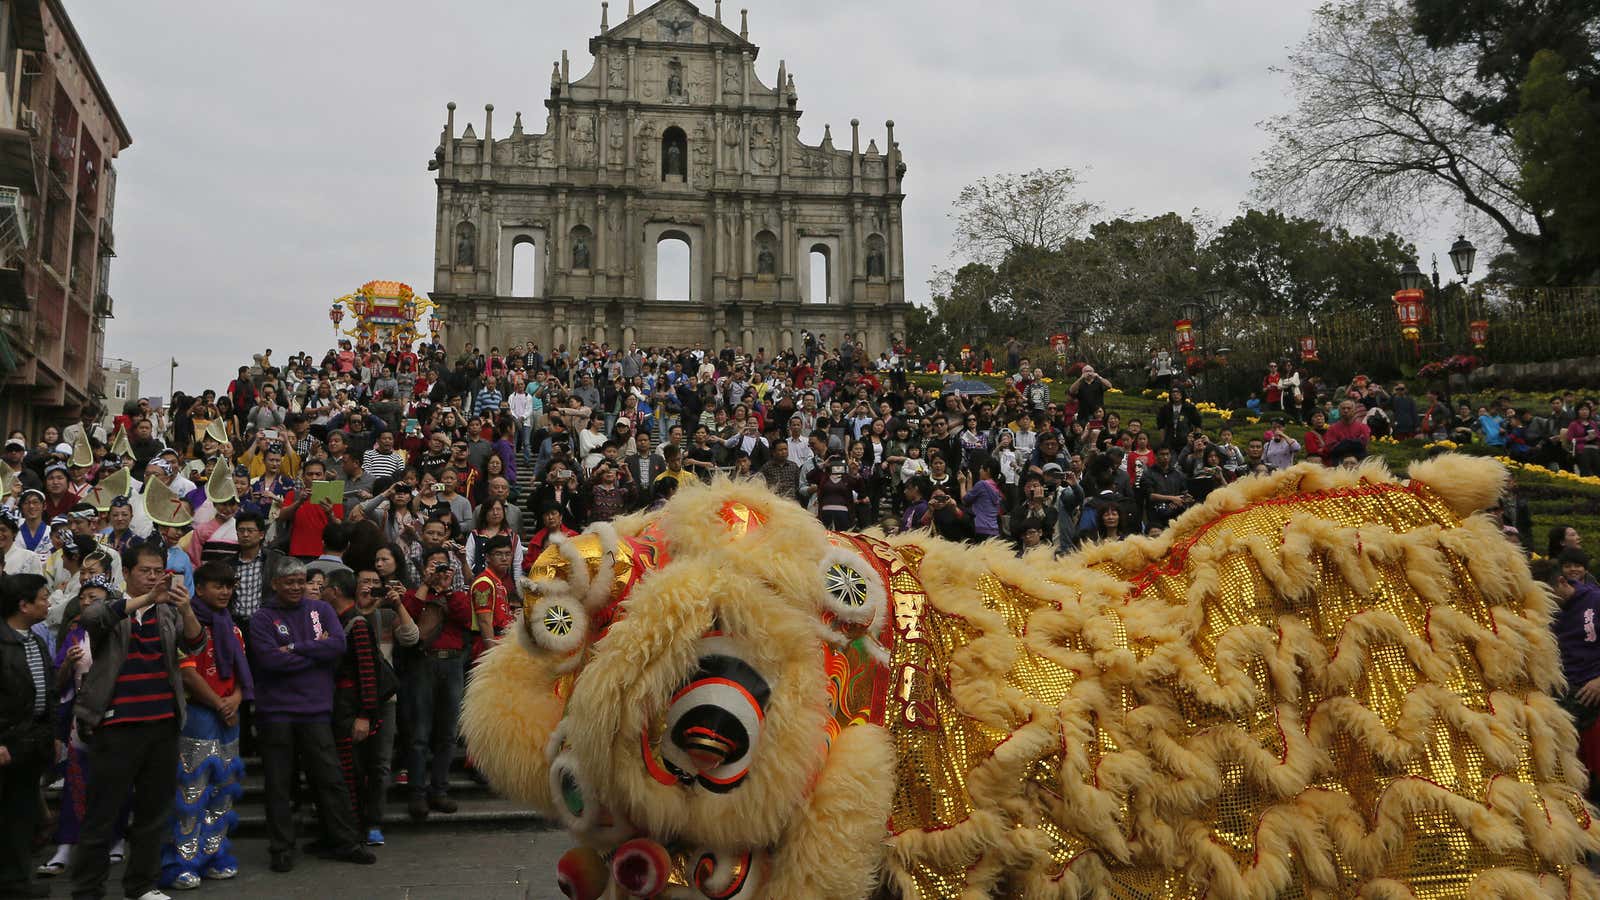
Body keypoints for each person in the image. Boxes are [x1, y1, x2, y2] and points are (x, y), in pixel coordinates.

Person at [69, 543, 208, 900]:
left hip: (162, 722)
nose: (153, 577)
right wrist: (146, 598)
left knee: (153, 812)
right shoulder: (110, 607)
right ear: (127, 573)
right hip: (116, 726)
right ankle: (88, 889)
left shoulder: (167, 611)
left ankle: (143, 884)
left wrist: (185, 606)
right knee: (103, 814)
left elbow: (195, 644)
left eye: (158, 570)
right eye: (145, 571)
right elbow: (91, 620)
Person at [247, 559, 375, 872]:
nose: (295, 587)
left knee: (331, 778)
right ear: (275, 584)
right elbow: (268, 661)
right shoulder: (262, 618)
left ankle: (345, 842)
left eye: (300, 581)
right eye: (288, 582)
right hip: (275, 713)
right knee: (279, 784)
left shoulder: (321, 611)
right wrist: (313, 654)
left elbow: (336, 647)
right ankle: (281, 848)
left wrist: (291, 648)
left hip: (316, 710)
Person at [159, 562, 250, 890]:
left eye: (228, 585)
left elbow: (242, 673)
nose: (224, 592)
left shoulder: (234, 628)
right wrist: (220, 703)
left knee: (222, 790)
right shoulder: (185, 622)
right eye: (217, 585)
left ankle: (213, 856)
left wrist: (236, 699)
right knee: (191, 792)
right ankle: (181, 861)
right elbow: (187, 672)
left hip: (228, 715)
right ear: (200, 587)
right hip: (198, 714)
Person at [400, 548, 471, 822]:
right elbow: (407, 616)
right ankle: (417, 793)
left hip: (452, 664)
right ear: (424, 567)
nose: (440, 571)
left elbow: (466, 618)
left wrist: (448, 590)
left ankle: (439, 790)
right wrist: (426, 586)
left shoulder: (458, 595)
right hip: (423, 664)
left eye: (444, 566)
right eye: (434, 565)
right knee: (419, 733)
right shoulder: (415, 593)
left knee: (447, 733)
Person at [0, 573, 54, 899]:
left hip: (30, 744)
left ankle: (16, 882)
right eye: (43, 597)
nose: (48, 602)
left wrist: (52, 734)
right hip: (6, 743)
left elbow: (46, 690)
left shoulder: (34, 640)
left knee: (21, 816)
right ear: (23, 605)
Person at [469, 536, 514, 657]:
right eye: (498, 554)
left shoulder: (498, 582)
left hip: (501, 642)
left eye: (508, 554)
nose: (504, 558)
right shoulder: (484, 583)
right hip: (489, 645)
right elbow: (484, 621)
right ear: (487, 557)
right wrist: (492, 656)